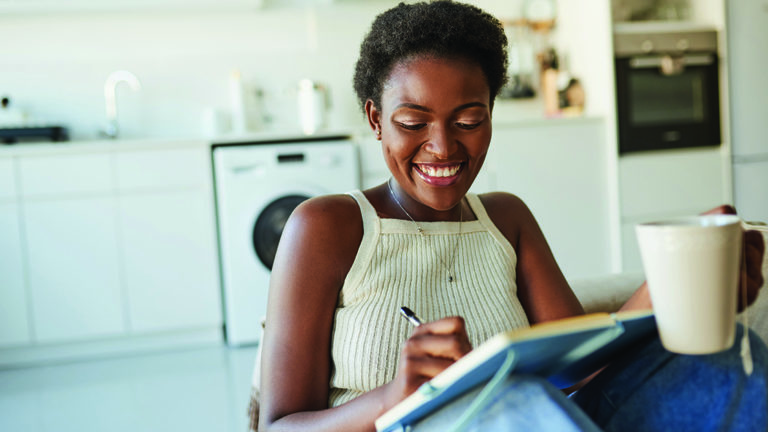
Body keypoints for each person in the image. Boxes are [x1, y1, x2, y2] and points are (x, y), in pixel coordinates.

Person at [256, 1, 768, 431]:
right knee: (512, 406)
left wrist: (681, 284)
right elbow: (278, 425)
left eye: (469, 120)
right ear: (375, 119)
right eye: (413, 122)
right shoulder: (326, 227)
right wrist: (394, 396)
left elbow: (583, 368)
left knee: (729, 358)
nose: (441, 147)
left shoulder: (506, 218)